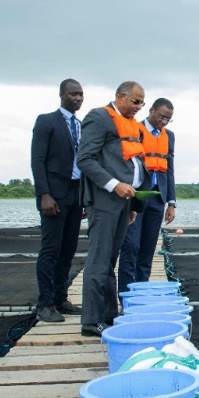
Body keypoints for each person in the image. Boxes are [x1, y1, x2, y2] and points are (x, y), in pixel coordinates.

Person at [76, 81, 150, 337]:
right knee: (98, 260)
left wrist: (132, 204)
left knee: (110, 260)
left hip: (124, 203)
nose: (139, 107)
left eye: (142, 102)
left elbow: (134, 164)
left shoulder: (133, 125)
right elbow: (85, 159)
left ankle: (108, 315)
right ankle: (91, 320)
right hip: (105, 200)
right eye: (136, 101)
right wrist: (114, 185)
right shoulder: (99, 117)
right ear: (120, 97)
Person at [30, 79, 86, 323]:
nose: (78, 98)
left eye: (81, 95)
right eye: (74, 94)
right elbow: (37, 159)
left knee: (68, 250)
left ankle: (61, 297)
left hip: (76, 192)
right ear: (61, 94)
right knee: (51, 249)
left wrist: (83, 198)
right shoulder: (47, 121)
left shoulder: (81, 125)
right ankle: (45, 304)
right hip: (54, 194)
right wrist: (44, 194)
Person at [118, 98, 177, 293]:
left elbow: (169, 170)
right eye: (161, 116)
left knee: (148, 248)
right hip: (137, 196)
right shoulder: (134, 129)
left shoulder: (169, 136)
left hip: (158, 198)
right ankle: (125, 294)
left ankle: (142, 291)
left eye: (168, 119)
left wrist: (171, 202)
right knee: (131, 245)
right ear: (151, 110)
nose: (164, 122)